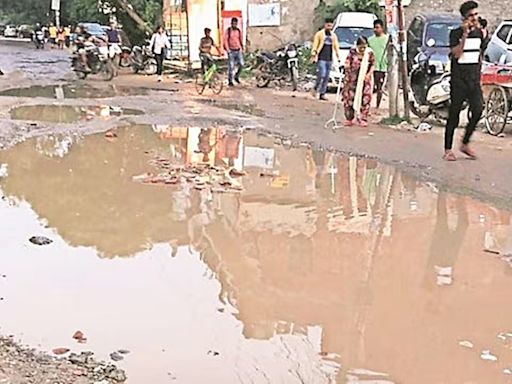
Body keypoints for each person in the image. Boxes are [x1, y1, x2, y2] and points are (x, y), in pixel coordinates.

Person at [443, 1, 488, 161]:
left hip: (473, 79)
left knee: (478, 109)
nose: (475, 18)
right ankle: (448, 149)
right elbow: (456, 54)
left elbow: (480, 54)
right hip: (459, 80)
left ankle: (465, 143)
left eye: (476, 14)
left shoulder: (481, 33)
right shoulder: (455, 33)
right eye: (471, 16)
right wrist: (464, 34)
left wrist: (480, 75)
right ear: (464, 18)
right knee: (454, 114)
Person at [342, 36, 375, 127]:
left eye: (364, 47)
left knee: (365, 98)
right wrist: (347, 65)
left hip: (364, 79)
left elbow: (373, 65)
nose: (362, 49)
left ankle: (363, 118)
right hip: (352, 79)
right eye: (361, 47)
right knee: (349, 98)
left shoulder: (369, 53)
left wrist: (368, 74)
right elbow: (348, 61)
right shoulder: (352, 51)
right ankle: (349, 118)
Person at [311, 18, 341, 101]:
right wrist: (314, 53)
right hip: (321, 58)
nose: (329, 27)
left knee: (326, 77)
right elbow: (315, 45)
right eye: (328, 25)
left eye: (331, 26)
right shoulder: (319, 34)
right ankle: (316, 88)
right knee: (322, 74)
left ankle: (322, 94)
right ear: (325, 25)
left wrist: (338, 57)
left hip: (329, 59)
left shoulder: (333, 36)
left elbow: (336, 47)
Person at [368, 19, 388, 109]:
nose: (375, 29)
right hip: (371, 67)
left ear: (382, 28)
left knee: (379, 87)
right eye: (374, 27)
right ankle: (367, 105)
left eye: (377, 27)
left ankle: (377, 105)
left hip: (382, 67)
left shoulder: (386, 39)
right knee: (370, 87)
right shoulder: (370, 40)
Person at [223, 18, 244, 86]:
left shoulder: (238, 31)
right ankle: (230, 80)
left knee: (241, 64)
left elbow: (240, 39)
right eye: (233, 23)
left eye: (235, 23)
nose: (234, 24)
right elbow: (225, 40)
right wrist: (228, 50)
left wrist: (242, 48)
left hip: (238, 50)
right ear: (231, 23)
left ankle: (236, 76)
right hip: (231, 51)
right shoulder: (228, 31)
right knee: (231, 66)